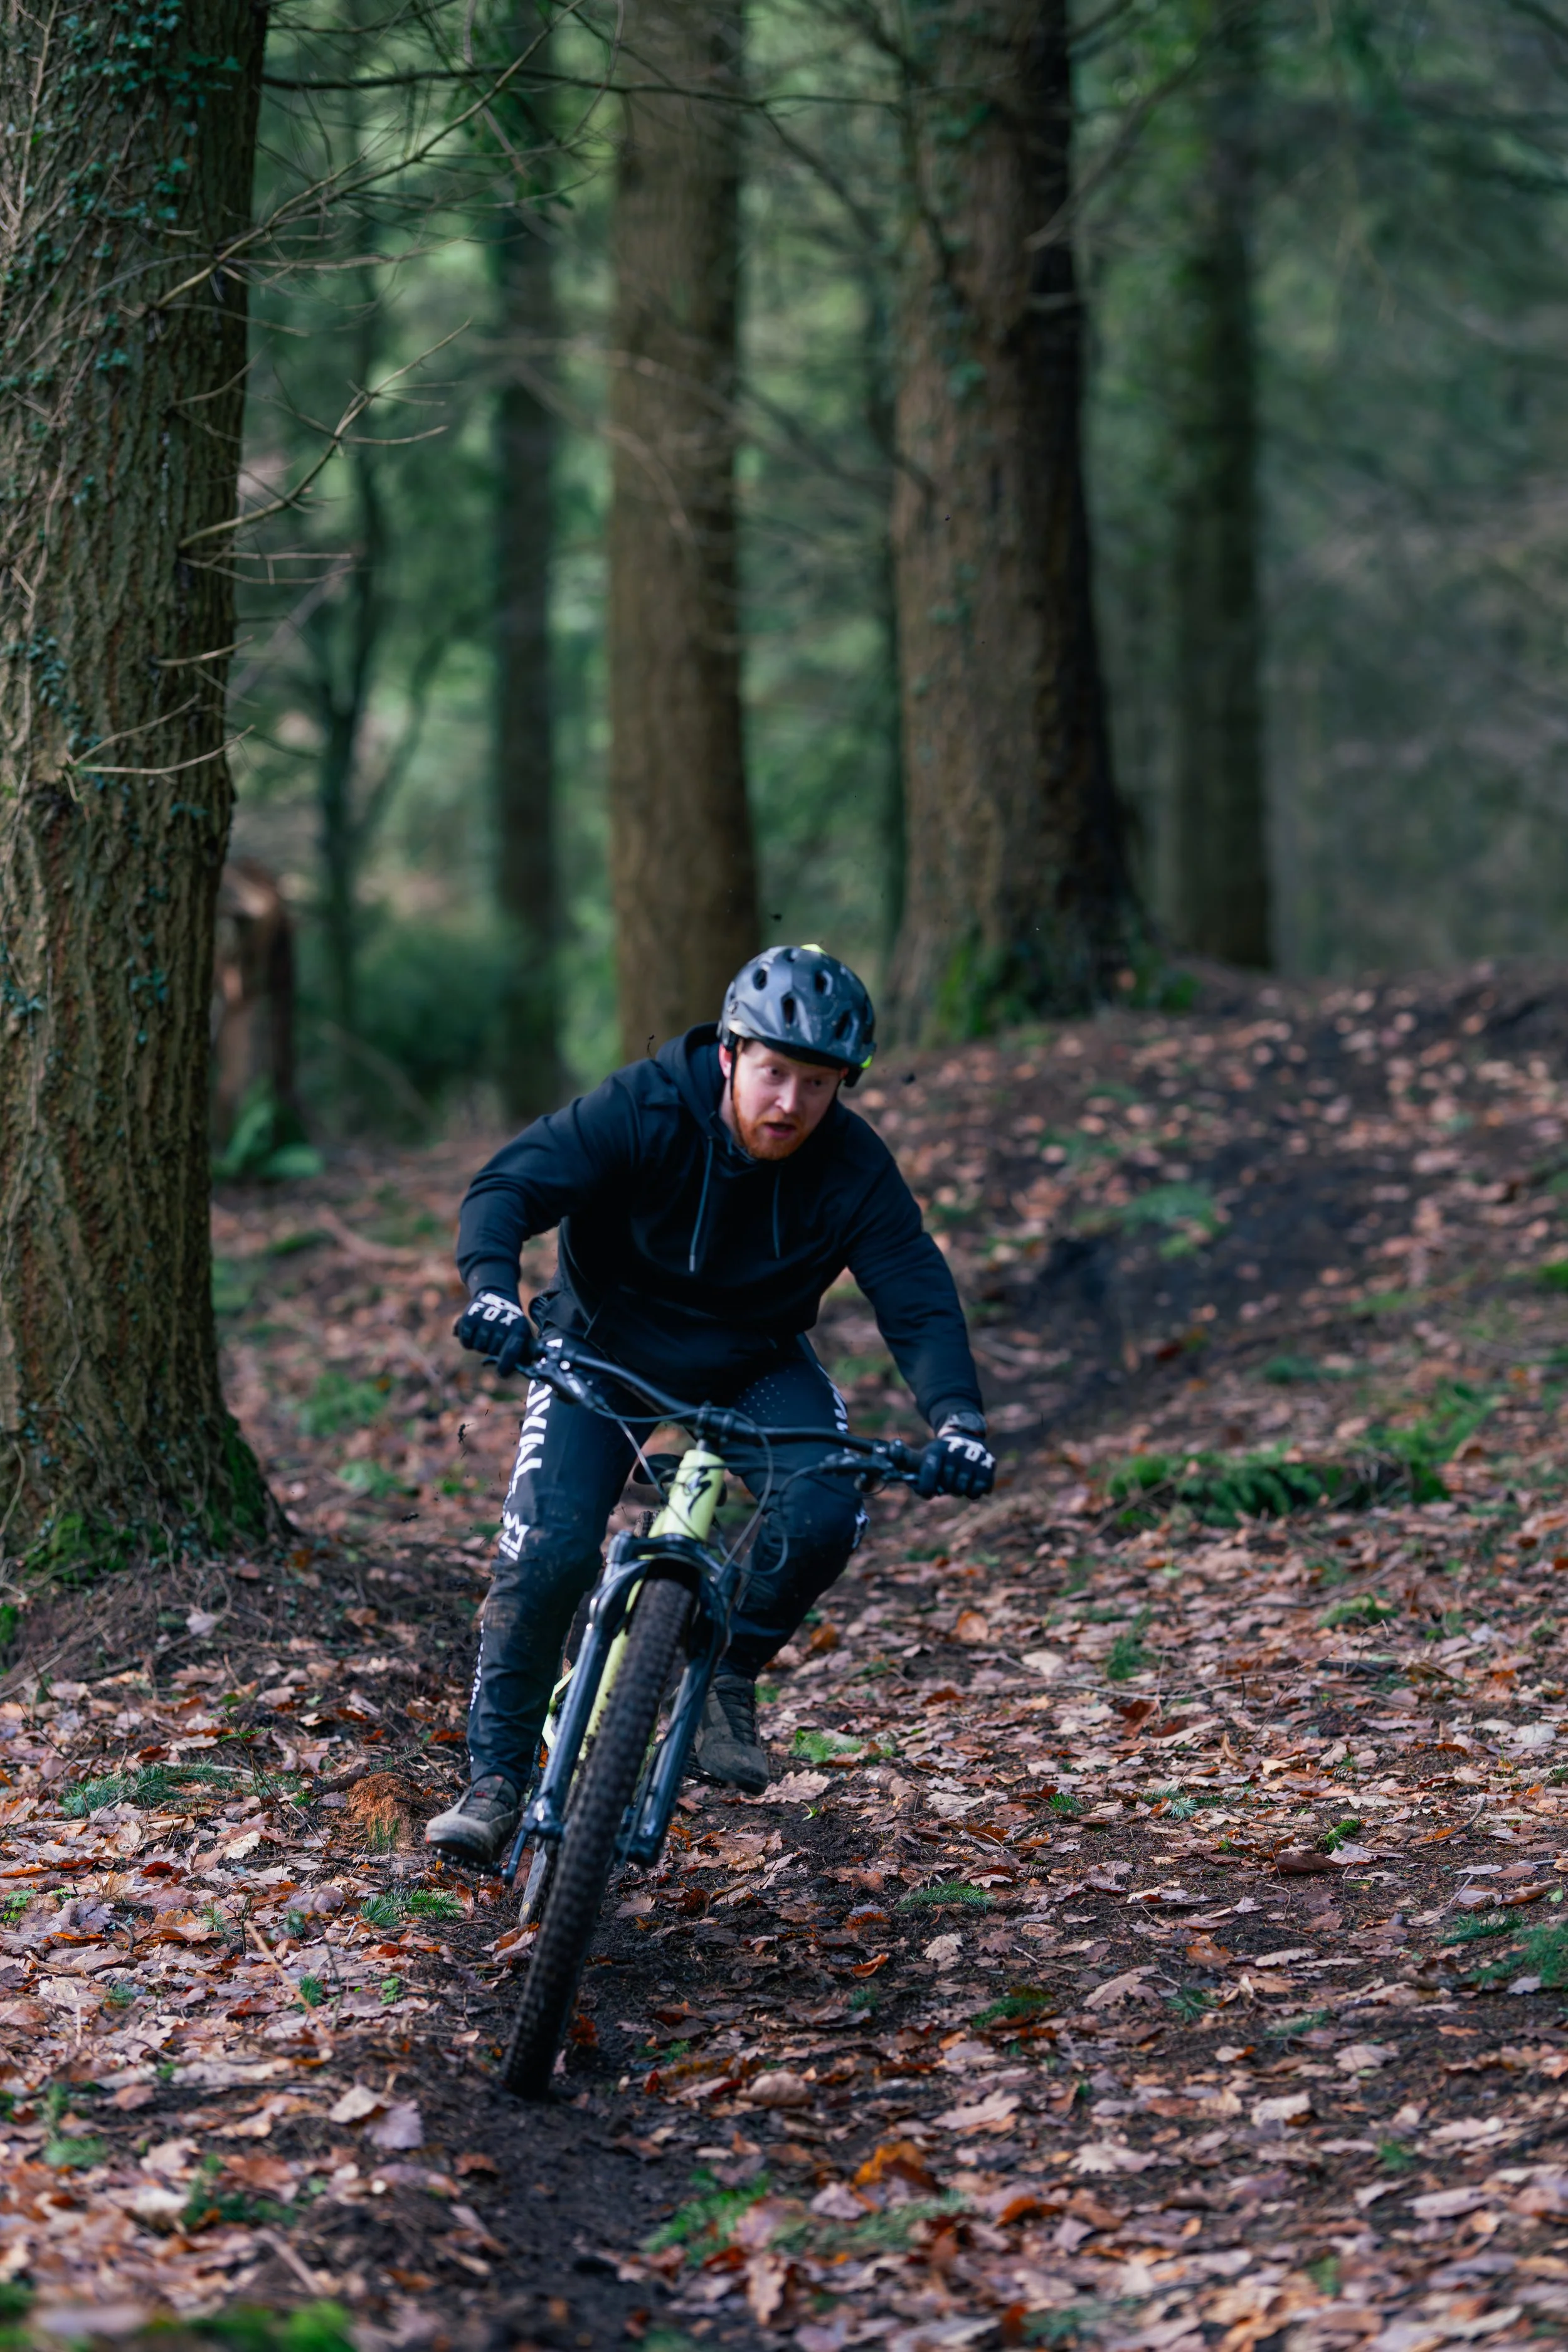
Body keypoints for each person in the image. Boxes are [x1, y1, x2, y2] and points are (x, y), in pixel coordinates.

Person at [426, 945, 995, 1868]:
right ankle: (494, 1779)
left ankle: (728, 1672)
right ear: (731, 1054)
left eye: (819, 1084)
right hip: (601, 1345)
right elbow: (510, 1185)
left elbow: (913, 1287)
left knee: (823, 1505)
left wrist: (957, 1419)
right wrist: (493, 1289)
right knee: (551, 1551)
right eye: (775, 1073)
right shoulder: (647, 1105)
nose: (791, 1104)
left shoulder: (851, 1164)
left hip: (753, 1358)